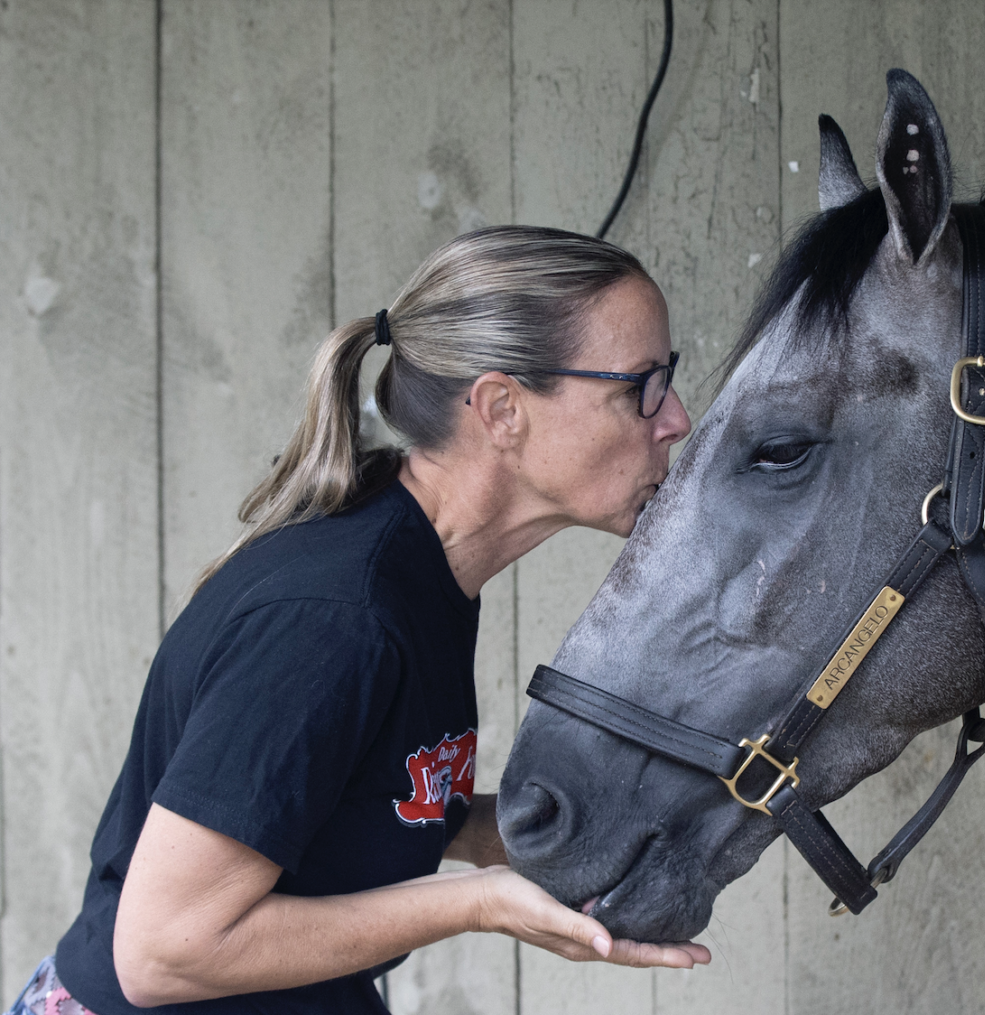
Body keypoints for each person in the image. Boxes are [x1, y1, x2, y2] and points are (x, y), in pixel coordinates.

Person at [9, 226, 703, 1015]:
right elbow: (163, 948)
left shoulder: (422, 574)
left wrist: (564, 846)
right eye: (639, 385)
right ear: (502, 409)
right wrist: (481, 902)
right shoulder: (336, 619)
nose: (674, 417)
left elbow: (352, 800)